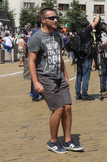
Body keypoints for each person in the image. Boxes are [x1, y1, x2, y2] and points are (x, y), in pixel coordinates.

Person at [28, 8, 79, 153]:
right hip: (45, 78)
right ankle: (53, 142)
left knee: (68, 107)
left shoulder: (57, 36)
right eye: (52, 18)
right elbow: (31, 61)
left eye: (56, 17)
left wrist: (66, 76)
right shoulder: (36, 38)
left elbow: (59, 58)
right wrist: (36, 82)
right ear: (43, 20)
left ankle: (68, 140)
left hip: (59, 77)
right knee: (58, 109)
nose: (56, 20)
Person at [72, 15, 101, 100]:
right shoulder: (86, 31)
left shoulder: (78, 33)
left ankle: (78, 94)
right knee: (86, 76)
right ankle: (85, 94)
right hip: (86, 57)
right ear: (87, 25)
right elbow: (95, 22)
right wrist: (98, 16)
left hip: (79, 57)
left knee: (79, 76)